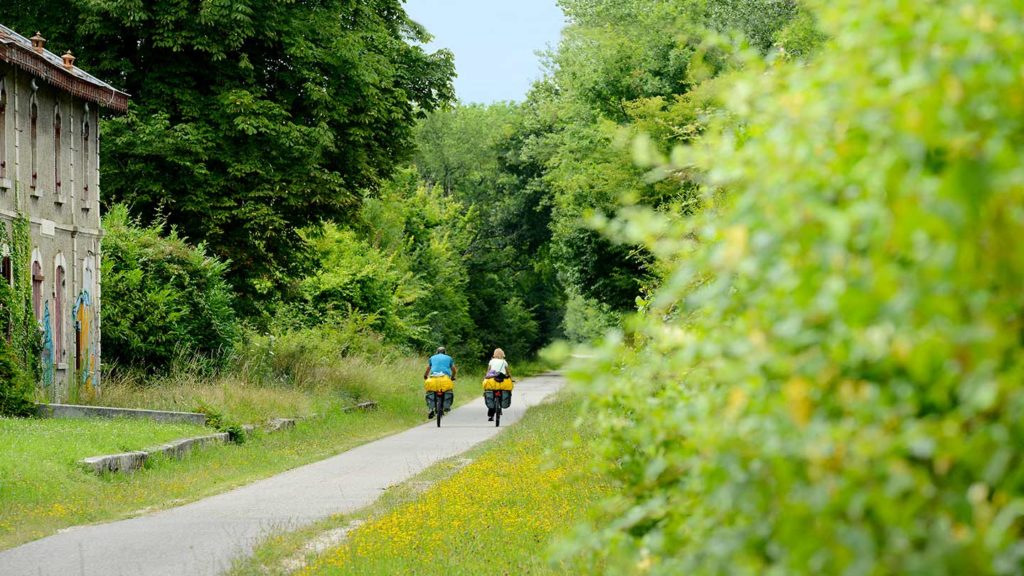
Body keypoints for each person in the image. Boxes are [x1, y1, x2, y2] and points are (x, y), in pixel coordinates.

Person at [423, 346, 457, 419]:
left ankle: (431, 408)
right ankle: (446, 406)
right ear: (445, 352)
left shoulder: (432, 358)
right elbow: (454, 369)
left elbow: (428, 368)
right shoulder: (449, 358)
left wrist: (425, 376)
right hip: (445, 379)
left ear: (437, 352)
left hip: (433, 379)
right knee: (448, 390)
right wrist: (452, 377)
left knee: (430, 392)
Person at [482, 348, 513, 421]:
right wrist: (511, 379)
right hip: (502, 382)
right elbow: (507, 372)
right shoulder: (504, 362)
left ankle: (491, 416)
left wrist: (485, 378)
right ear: (503, 354)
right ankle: (500, 406)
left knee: (491, 396)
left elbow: (488, 371)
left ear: (494, 354)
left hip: (492, 382)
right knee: (503, 393)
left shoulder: (491, 361)